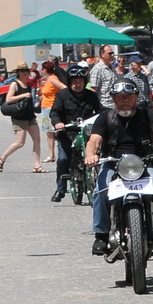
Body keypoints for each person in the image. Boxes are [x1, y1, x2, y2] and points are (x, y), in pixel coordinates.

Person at [84, 78, 153, 257]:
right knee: (101, 190)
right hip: (113, 164)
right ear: (113, 98)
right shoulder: (105, 117)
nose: (124, 100)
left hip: (143, 164)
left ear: (136, 97)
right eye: (119, 97)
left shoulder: (146, 115)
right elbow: (94, 140)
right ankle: (101, 235)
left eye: (128, 96)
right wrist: (90, 155)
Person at [49, 63, 101, 202]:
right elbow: (54, 112)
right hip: (67, 134)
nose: (77, 84)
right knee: (63, 159)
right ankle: (60, 189)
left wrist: (109, 116)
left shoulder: (91, 95)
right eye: (74, 81)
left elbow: (100, 110)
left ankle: (102, 185)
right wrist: (58, 123)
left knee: (99, 157)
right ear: (69, 82)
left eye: (80, 81)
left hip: (87, 134)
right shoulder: (62, 95)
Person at [0, 64, 45, 173]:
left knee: (37, 140)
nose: (24, 73)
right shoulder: (15, 84)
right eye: (22, 71)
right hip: (19, 117)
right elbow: (8, 99)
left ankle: (37, 165)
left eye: (26, 70)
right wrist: (23, 96)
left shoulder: (27, 83)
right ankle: (2, 158)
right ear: (18, 72)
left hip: (30, 115)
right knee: (20, 143)